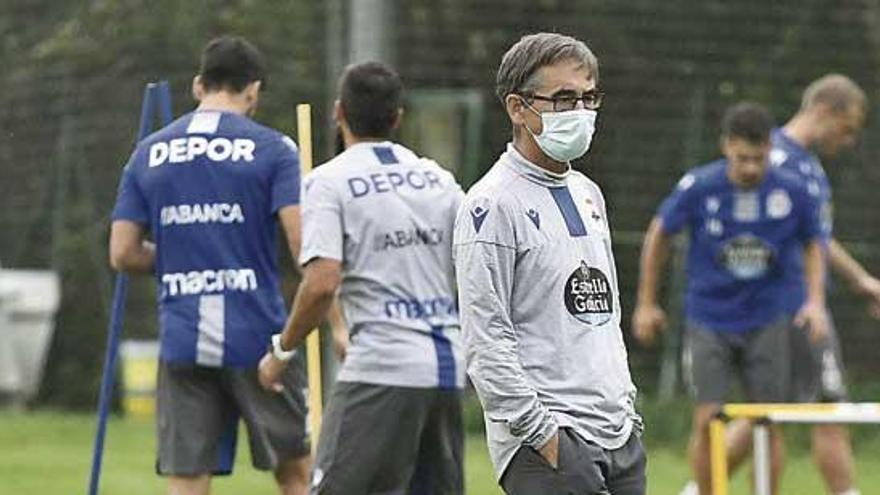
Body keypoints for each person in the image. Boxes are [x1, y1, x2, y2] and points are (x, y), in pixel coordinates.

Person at [108, 36, 311, 495]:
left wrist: (183, 252)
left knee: (186, 480)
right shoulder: (273, 149)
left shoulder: (149, 151)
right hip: (260, 340)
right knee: (296, 474)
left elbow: (122, 253)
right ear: (253, 90)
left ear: (199, 86)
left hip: (183, 338)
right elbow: (302, 246)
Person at [258, 61, 465, 495]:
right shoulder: (440, 180)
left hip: (382, 368)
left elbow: (321, 283)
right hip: (447, 370)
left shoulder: (328, 182)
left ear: (338, 112)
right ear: (398, 118)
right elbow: (472, 265)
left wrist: (283, 349)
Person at [454, 32, 645, 495]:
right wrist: (543, 436)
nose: (580, 112)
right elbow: (485, 339)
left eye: (587, 98)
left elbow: (605, 315)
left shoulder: (587, 193)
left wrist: (628, 409)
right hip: (550, 441)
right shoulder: (491, 205)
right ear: (518, 108)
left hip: (618, 434)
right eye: (563, 99)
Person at [632, 101, 830, 495]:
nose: (751, 168)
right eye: (742, 159)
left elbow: (814, 244)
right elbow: (659, 235)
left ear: (771, 147)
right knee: (708, 420)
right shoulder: (700, 186)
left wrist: (815, 301)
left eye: (759, 159)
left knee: (768, 421)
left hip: (769, 317)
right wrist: (646, 302)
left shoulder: (792, 190)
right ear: (726, 146)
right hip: (710, 318)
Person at [712, 75, 879, 495]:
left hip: (802, 305)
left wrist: (861, 280)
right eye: (848, 128)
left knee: (771, 415)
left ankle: (698, 488)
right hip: (790, 307)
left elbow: (816, 239)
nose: (850, 139)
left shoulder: (808, 165)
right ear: (826, 110)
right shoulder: (773, 159)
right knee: (819, 410)